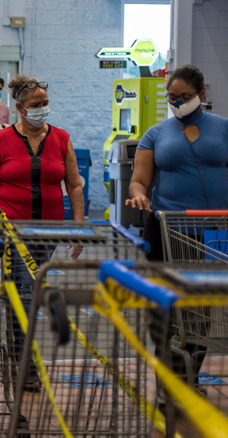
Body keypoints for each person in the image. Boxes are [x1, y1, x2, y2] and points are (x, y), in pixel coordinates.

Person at [125, 64, 228, 410]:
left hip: (212, 232)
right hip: (166, 229)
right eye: (172, 98)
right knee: (166, 309)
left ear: (201, 93)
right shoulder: (156, 134)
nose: (178, 103)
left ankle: (190, 382)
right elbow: (140, 180)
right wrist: (139, 194)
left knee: (200, 309)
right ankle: (168, 385)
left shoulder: (224, 130)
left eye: (184, 97)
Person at [0, 74, 84, 390]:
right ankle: (25, 364)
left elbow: (73, 184)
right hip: (13, 229)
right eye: (35, 105)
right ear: (19, 107)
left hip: (50, 230)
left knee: (28, 293)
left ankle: (21, 355)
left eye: (45, 103)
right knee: (25, 292)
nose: (42, 109)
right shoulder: (0, 140)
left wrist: (79, 225)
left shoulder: (61, 138)